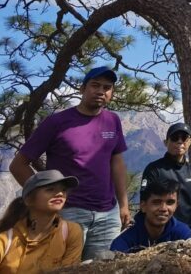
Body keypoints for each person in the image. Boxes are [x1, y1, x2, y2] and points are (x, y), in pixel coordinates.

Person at [9, 66, 131, 260]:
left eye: (107, 87)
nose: (101, 91)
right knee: (64, 268)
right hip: (69, 212)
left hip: (108, 215)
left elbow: (116, 162)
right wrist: (44, 199)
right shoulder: (56, 122)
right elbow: (18, 165)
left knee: (102, 270)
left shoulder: (112, 121)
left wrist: (124, 205)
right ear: (82, 89)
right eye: (95, 85)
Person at [0, 170, 84, 274]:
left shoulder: (71, 232)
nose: (60, 194)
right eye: (50, 189)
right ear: (29, 200)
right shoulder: (1, 243)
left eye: (63, 190)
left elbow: (70, 271)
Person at [140, 122, 191, 229]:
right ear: (166, 142)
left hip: (187, 232)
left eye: (184, 138)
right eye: (174, 138)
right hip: (159, 231)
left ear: (189, 142)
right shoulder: (154, 169)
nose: (179, 141)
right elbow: (144, 201)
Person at [110, 178, 191, 253]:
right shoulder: (124, 242)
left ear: (176, 206)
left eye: (170, 202)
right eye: (156, 202)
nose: (163, 208)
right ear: (143, 206)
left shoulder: (184, 235)